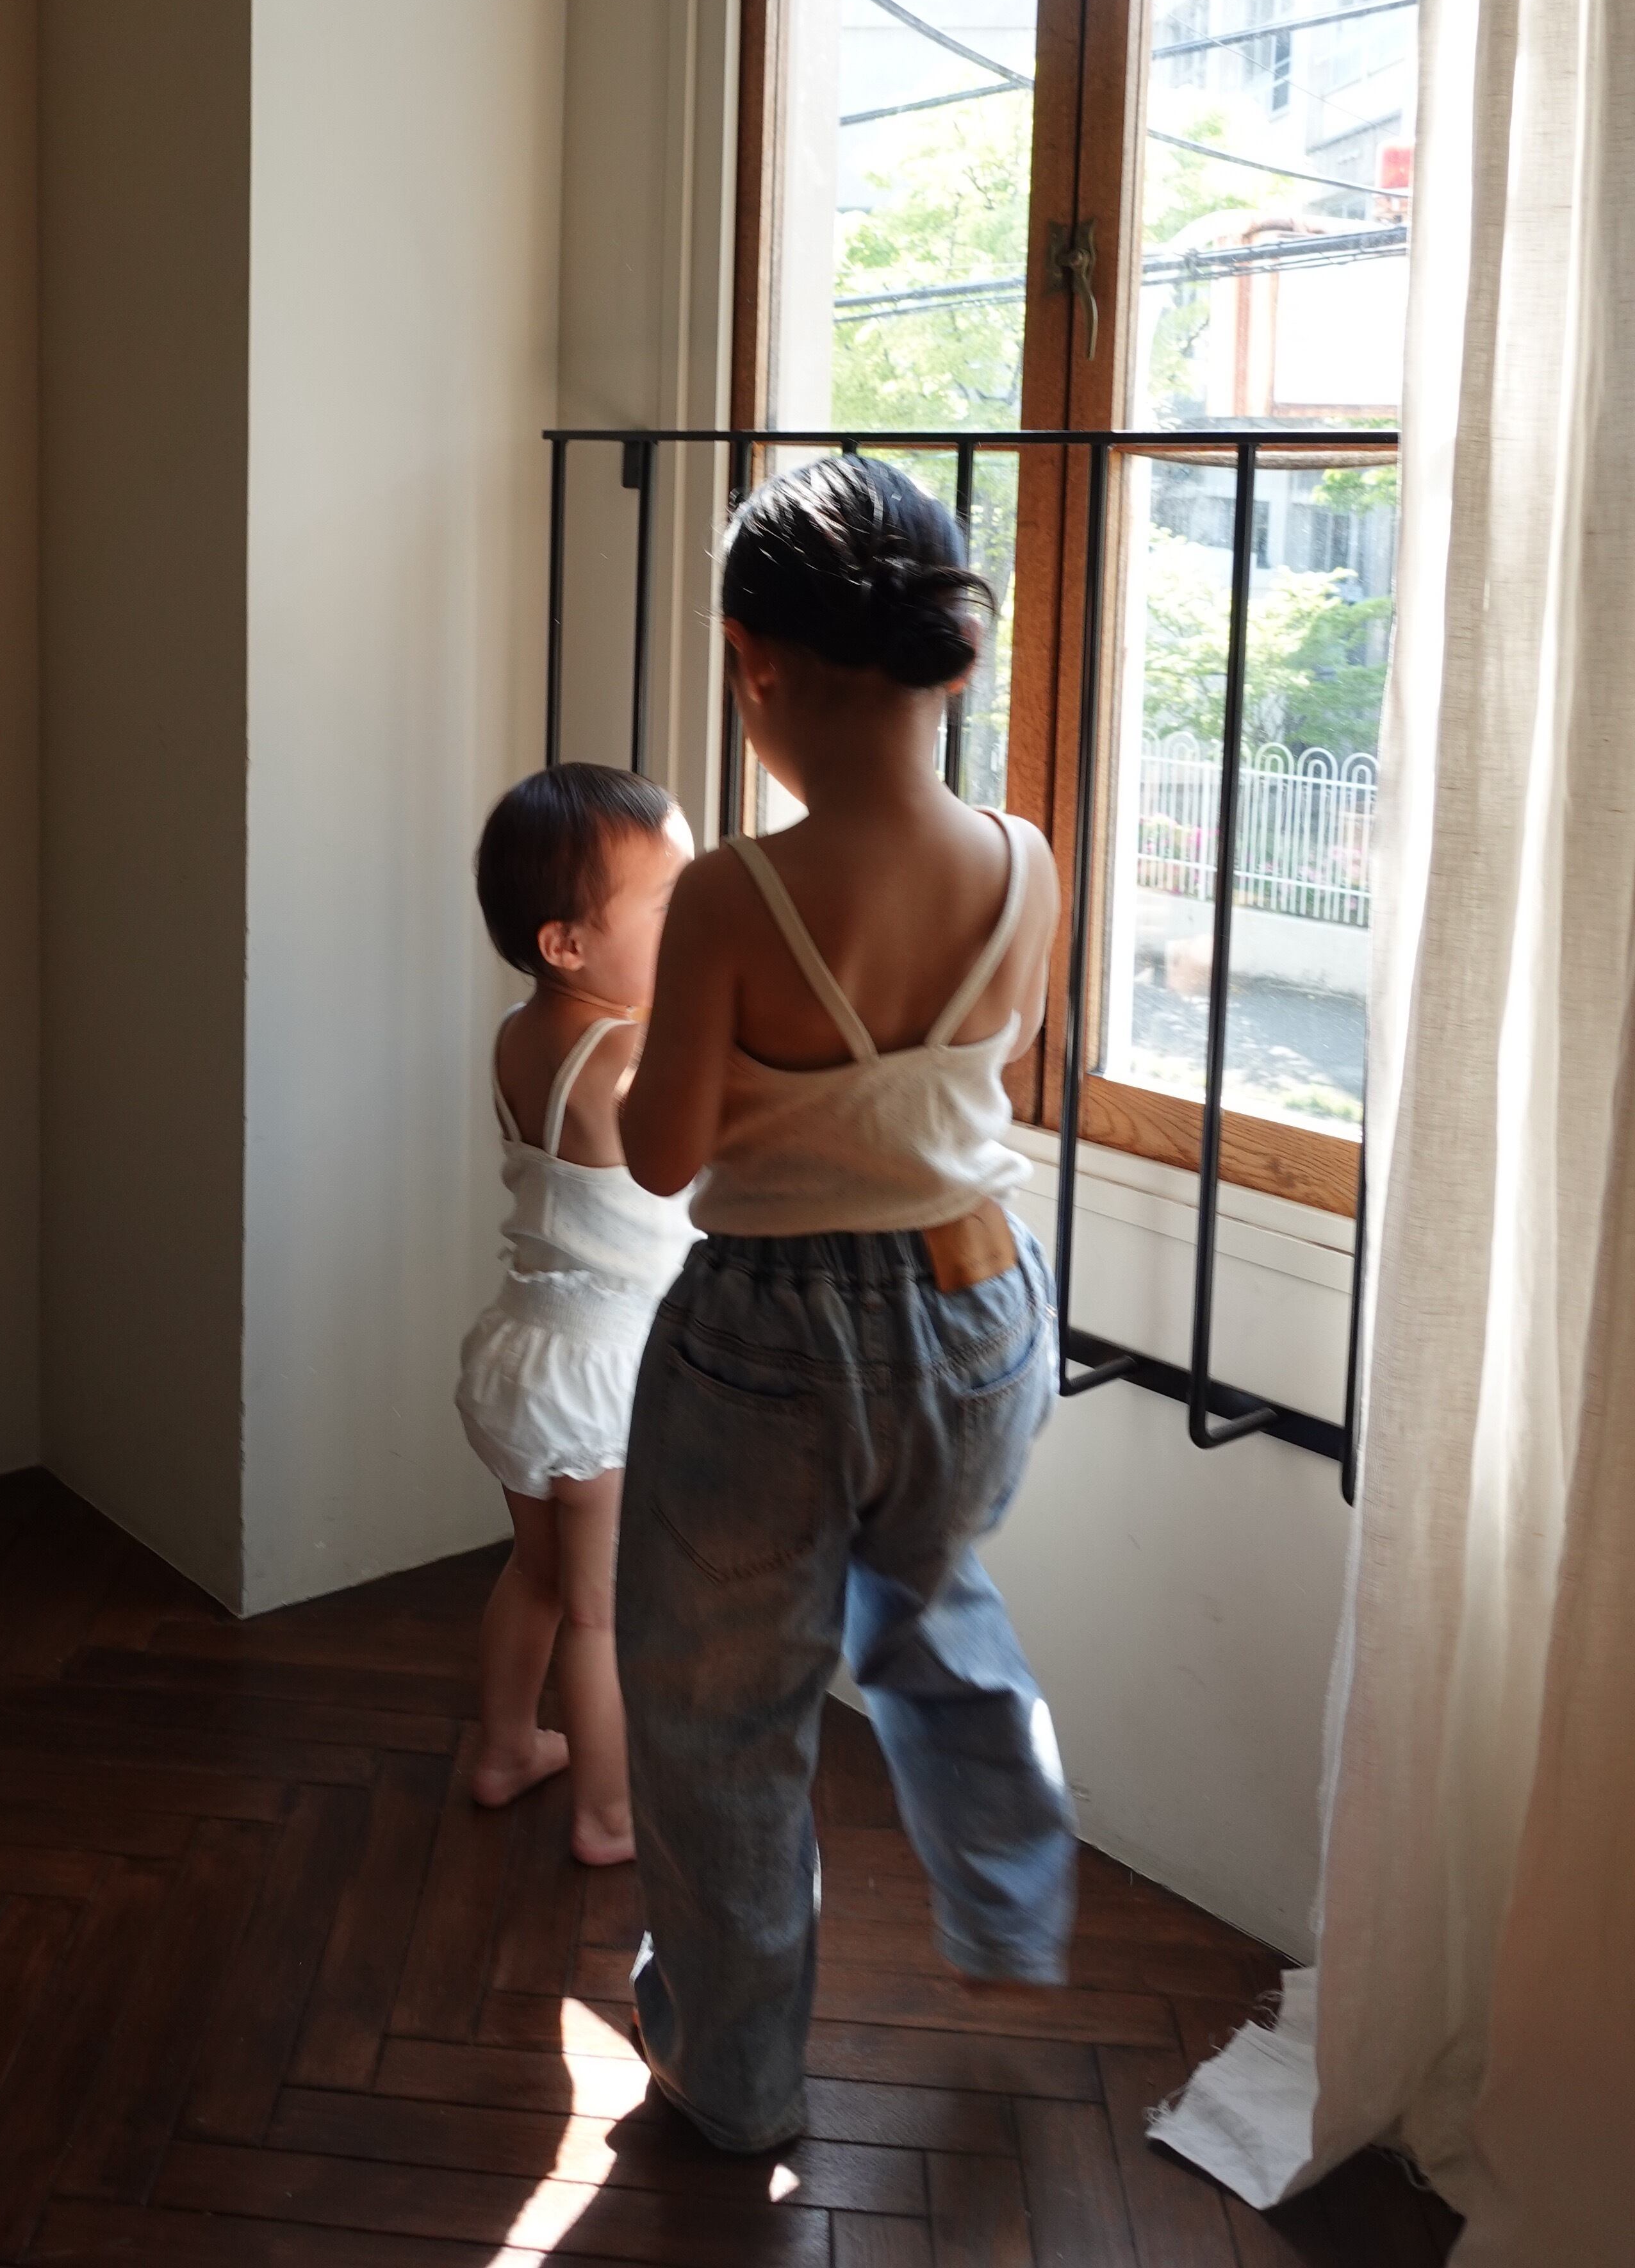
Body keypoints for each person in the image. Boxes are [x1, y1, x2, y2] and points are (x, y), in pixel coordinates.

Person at [615, 453, 1074, 2154]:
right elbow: (969, 1076)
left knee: (722, 1713)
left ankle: (735, 2080)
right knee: (930, 1595)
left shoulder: (734, 893)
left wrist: (648, 1059)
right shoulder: (1026, 860)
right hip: (981, 1304)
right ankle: (1012, 1901)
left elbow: (664, 1153)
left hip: (773, 1343)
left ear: (754, 663)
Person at [457, 765, 698, 1867]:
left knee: (538, 1575)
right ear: (567, 943)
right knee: (602, 1613)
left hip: (516, 1350)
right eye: (670, 905)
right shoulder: (628, 1056)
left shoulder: (522, 1035)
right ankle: (609, 1816)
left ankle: (506, 1749)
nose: (694, 927)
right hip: (602, 1371)